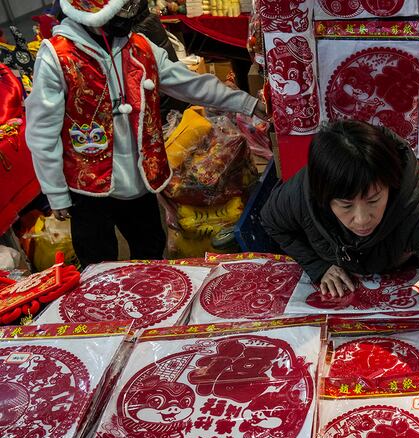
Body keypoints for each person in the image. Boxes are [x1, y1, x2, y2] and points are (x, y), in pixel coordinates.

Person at [261, 120, 419, 419]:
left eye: (374, 200)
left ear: (391, 184)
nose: (362, 218)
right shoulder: (301, 195)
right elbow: (272, 222)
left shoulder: (412, 206)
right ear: (324, 197)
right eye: (345, 205)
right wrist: (318, 265)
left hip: (394, 267)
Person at [26, 0, 266, 267]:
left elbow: (189, 84)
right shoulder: (57, 56)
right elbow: (42, 130)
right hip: (89, 185)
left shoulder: (139, 47)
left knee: (151, 250)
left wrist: (249, 104)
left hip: (141, 177)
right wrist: (55, 191)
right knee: (97, 262)